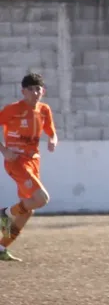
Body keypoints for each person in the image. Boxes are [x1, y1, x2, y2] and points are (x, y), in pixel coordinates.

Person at [0, 72, 58, 263]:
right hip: (16, 161)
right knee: (42, 198)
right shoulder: (13, 110)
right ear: (23, 91)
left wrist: (52, 140)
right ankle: (4, 214)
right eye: (30, 89)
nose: (35, 92)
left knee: (28, 210)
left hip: (33, 162)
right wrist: (4, 150)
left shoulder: (44, 110)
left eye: (38, 89)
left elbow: (51, 131)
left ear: (43, 91)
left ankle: (1, 247)